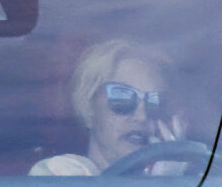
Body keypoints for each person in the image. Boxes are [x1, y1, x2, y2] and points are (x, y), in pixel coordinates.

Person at [30, 39, 185, 176]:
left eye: (154, 103)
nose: (142, 116)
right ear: (87, 109)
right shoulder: (60, 174)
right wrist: (160, 186)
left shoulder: (191, 179)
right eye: (122, 97)